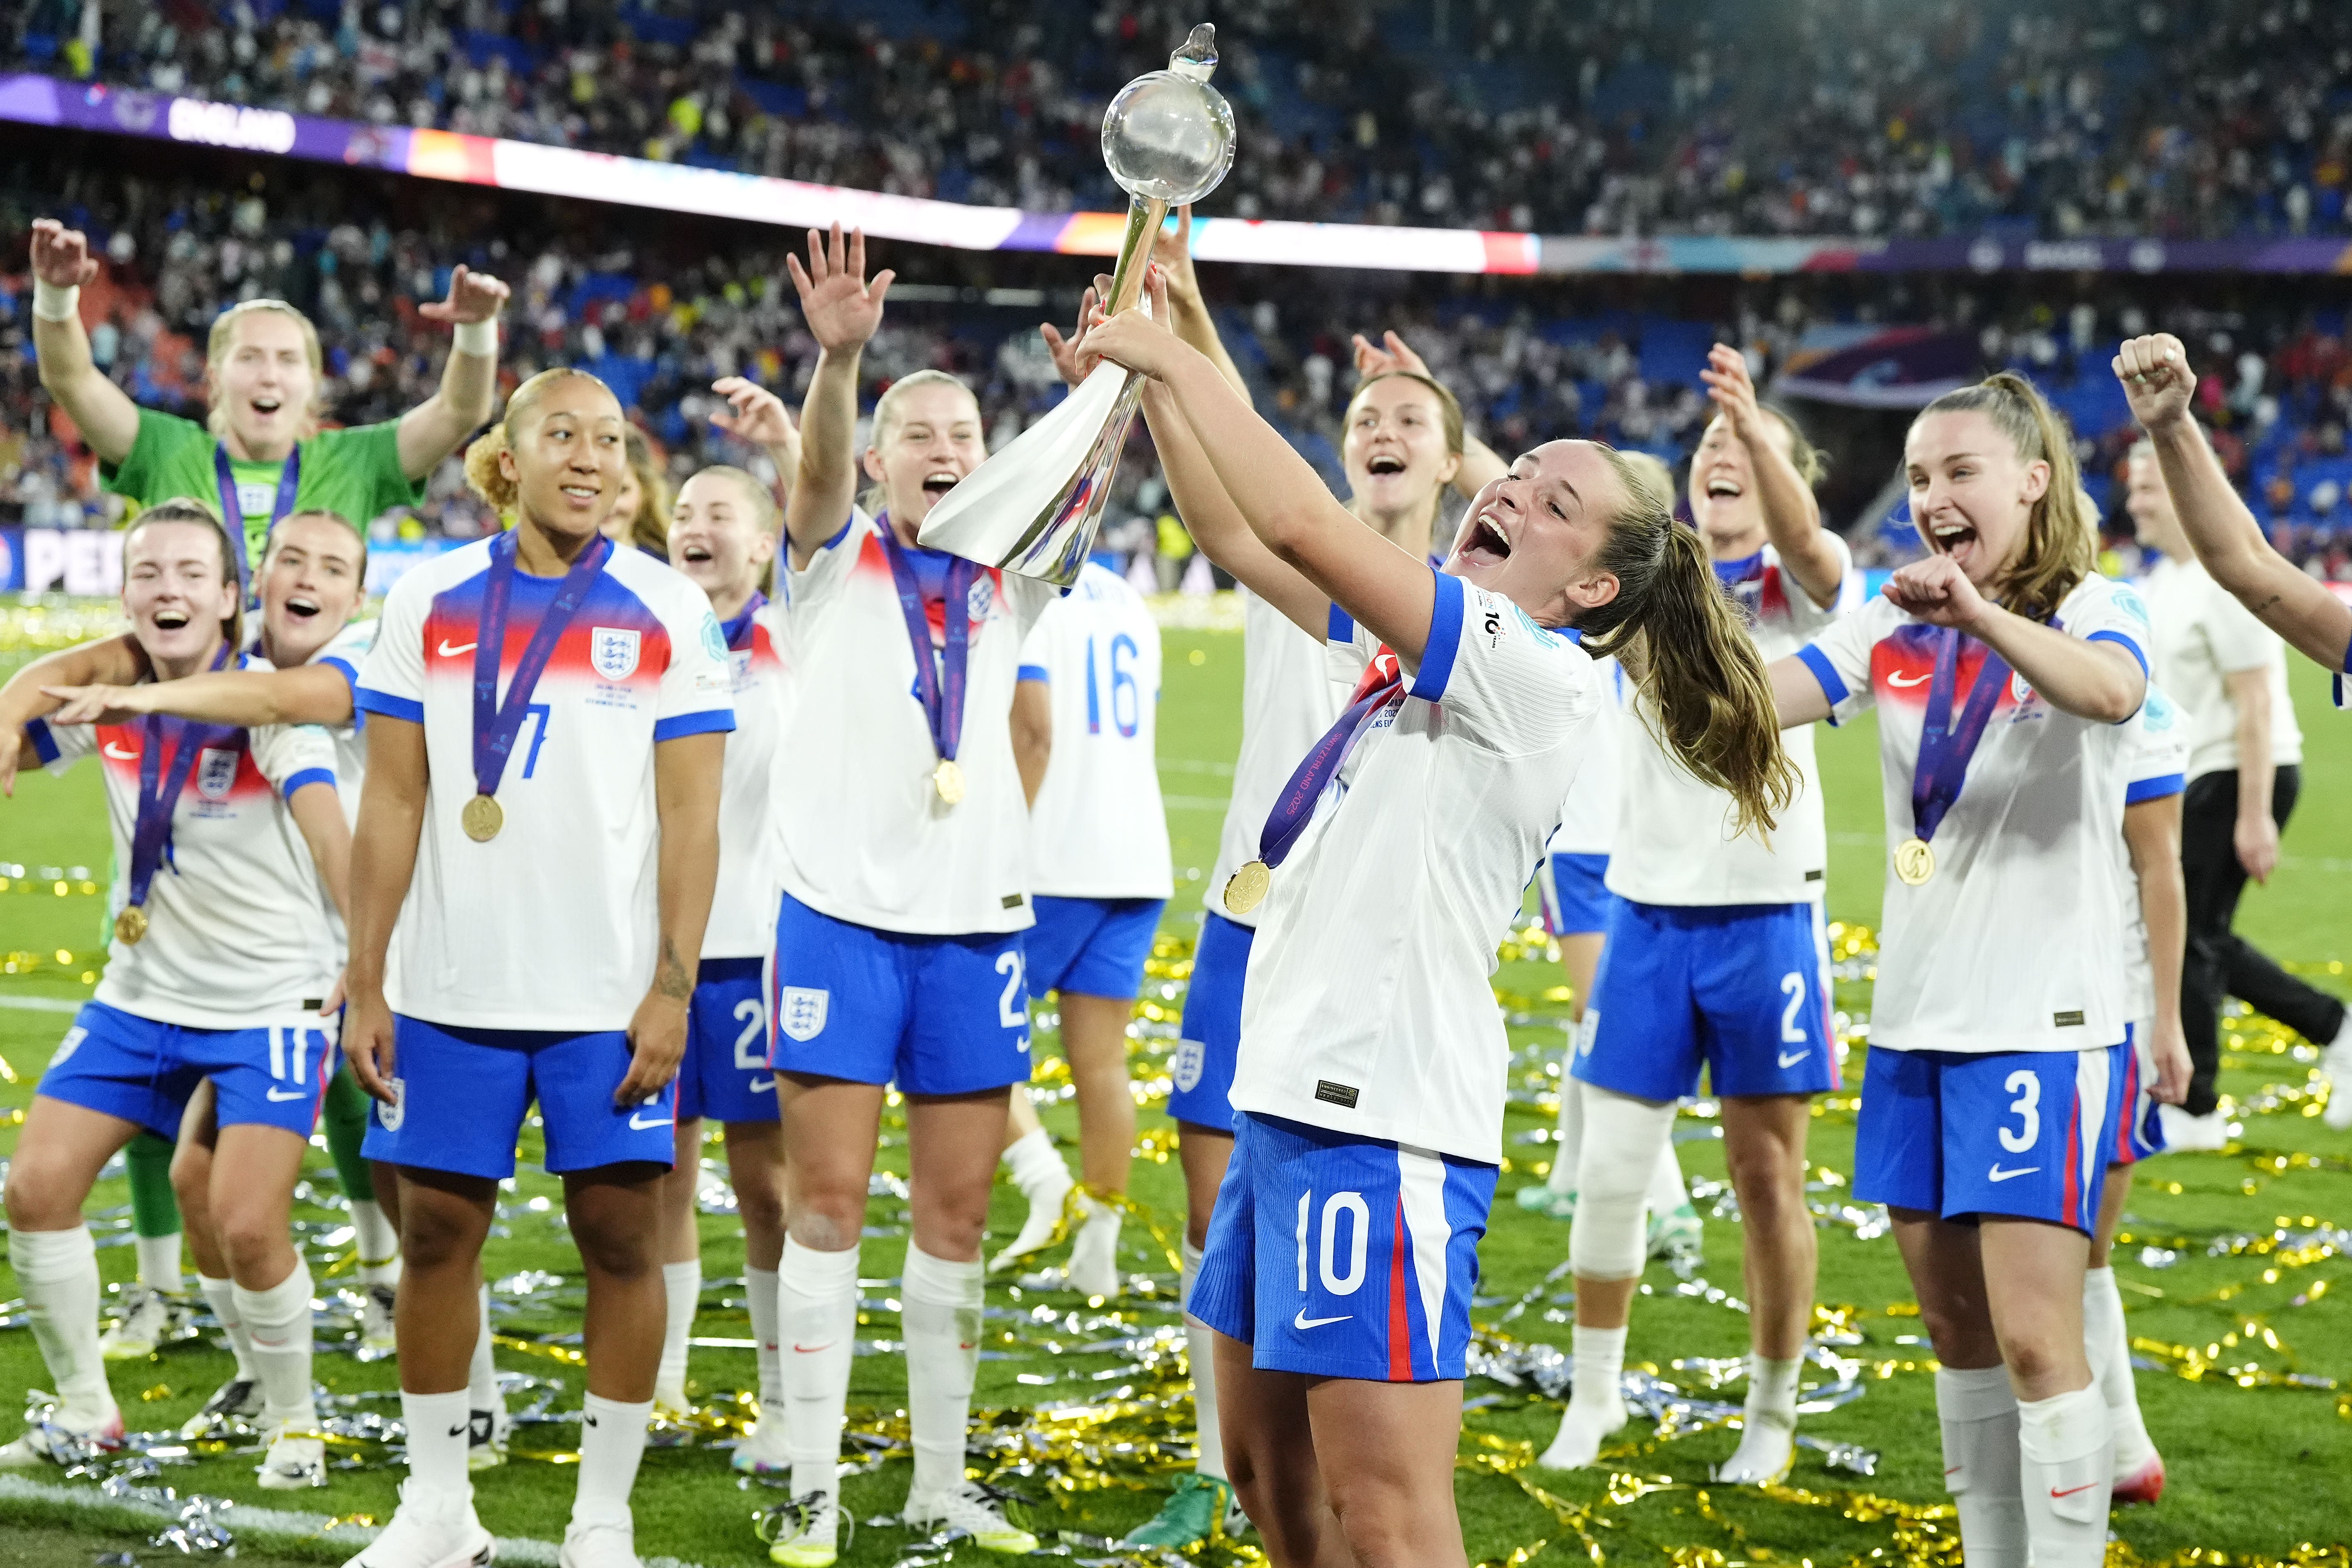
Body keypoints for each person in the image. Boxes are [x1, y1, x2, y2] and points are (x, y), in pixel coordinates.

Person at [1085, 270, 1793, 1568]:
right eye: (1516, 468)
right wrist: (1156, 371)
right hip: (1286, 1095)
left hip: (1389, 1123)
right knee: (1265, 1477)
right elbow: (1248, 533)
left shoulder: (1535, 675)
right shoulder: (1427, 641)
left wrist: (1178, 360)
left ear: (1591, 589)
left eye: (1555, 499)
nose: (1510, 488)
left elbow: (1297, 517)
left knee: (1388, 1511)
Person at [337, 367, 733, 1568]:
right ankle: (436, 1511)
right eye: (561, 435)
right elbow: (393, 798)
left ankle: (599, 1521)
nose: (589, 457)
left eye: (608, 440)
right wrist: (367, 977)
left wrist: (670, 988)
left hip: (604, 1002)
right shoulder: (430, 598)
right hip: (450, 992)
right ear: (507, 458)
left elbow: (693, 820)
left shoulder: (671, 608)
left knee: (620, 1240)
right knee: (436, 1241)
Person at [1769, 372, 2162, 1567]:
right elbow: (1765, 701)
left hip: (2044, 1025)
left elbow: (2112, 694)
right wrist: (1653, 630)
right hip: (1917, 1025)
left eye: (1960, 471)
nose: (1933, 495)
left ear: (2032, 482)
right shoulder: (1886, 624)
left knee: (2043, 1341)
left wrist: (1980, 616)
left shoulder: (2103, 606)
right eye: (1921, 475)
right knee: (1956, 1333)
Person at [759, 224, 1056, 1566]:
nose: (941, 444)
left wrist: (1122, 363)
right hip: (837, 918)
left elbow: (1094, 476)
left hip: (975, 930)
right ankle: (812, 1480)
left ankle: (938, 1480)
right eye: (915, 429)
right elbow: (814, 477)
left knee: (954, 1219)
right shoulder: (826, 563)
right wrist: (840, 367)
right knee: (826, 1206)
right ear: (882, 459)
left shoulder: (1016, 577)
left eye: (962, 429)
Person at [1541, 347, 1849, 1482]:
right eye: (1708, 448)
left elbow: (1814, 543)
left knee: (1768, 1181)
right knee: (1614, 1168)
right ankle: (1597, 1395)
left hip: (1766, 920)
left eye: (1746, 452)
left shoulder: (1810, 590)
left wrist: (1756, 429)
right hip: (1650, 918)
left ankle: (1770, 1414)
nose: (1720, 455)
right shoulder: (1650, 592)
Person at [0, 500, 350, 1494]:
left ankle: (295, 1420)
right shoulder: (111, 711)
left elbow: (333, 837)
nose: (169, 591)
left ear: (231, 599)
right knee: (34, 1189)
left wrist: (364, 958)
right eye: (149, 574)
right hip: (141, 995)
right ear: (124, 601)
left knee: (245, 1222)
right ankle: (84, 1413)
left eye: (192, 574)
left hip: (270, 1004)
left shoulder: (267, 705)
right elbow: (33, 736)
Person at [27, 217, 507, 588]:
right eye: (251, 358)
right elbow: (72, 379)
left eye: (287, 360)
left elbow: (459, 410)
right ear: (215, 378)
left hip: (308, 705)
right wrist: (54, 296)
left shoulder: (358, 461)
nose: (269, 375)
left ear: (313, 383)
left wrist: (477, 331)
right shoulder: (164, 448)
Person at [637, 449, 799, 1443]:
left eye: (723, 512)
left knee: (767, 1186)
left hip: (754, 948)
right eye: (686, 510)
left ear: (767, 541)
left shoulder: (797, 640)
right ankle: (663, 1381)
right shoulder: (638, 639)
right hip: (651, 951)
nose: (697, 525)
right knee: (660, 1174)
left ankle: (785, 1400)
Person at [2124, 439, 2349, 1146]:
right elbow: (2244, 563)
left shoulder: (2205, 590)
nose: (2135, 501)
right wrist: (2169, 424)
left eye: (2149, 487)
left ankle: (2196, 1104)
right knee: (2196, 933)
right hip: (2191, 773)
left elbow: (2255, 695)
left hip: (2233, 771)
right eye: (2131, 487)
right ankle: (2329, 1029)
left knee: (2193, 934)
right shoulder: (2163, 583)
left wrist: (2254, 814)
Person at [1516, 450, 1700, 1261]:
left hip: (1587, 843)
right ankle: (1569, 1169)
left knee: (1603, 1020)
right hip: (1622, 837)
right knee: (1588, 1017)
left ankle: (1670, 1204)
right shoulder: (1652, 618)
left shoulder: (1590, 611)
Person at [991, 550, 1172, 1302]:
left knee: (968, 1033)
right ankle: (1096, 1244)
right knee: (1100, 1064)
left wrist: (996, 846)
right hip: (1135, 855)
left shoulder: (1023, 586)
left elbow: (1033, 733)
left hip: (1051, 860)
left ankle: (1041, 1181)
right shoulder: (1125, 593)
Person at [2090, 682, 2193, 1506]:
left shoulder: (2130, 680)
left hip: (2107, 1012)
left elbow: (2161, 865)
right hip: (1989, 1006)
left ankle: (2119, 1438)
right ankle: (2116, 1445)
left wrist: (2165, 1018)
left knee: (2079, 1249)